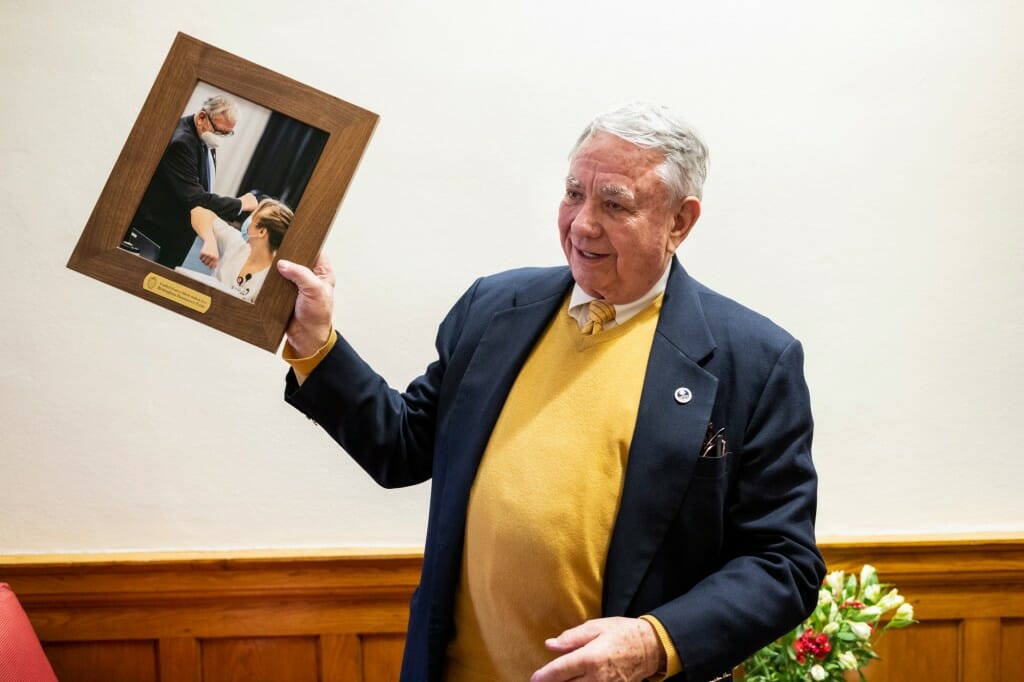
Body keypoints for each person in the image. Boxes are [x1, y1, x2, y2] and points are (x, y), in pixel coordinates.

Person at [277, 102, 825, 682]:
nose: (583, 223)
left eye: (614, 204)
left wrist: (654, 641)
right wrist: (316, 343)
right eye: (573, 194)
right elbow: (403, 446)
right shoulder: (493, 310)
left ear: (680, 221)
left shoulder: (755, 361)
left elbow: (782, 563)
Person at [124, 94, 260, 269]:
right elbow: (196, 198)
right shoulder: (182, 143)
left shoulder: (205, 136)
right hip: (159, 230)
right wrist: (240, 204)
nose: (221, 137)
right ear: (202, 117)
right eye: (219, 131)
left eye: (227, 133)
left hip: (178, 230)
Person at [183, 198, 293, 303]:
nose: (247, 223)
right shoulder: (236, 243)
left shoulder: (274, 279)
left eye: (253, 219)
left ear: (261, 232)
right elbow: (198, 212)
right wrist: (209, 240)